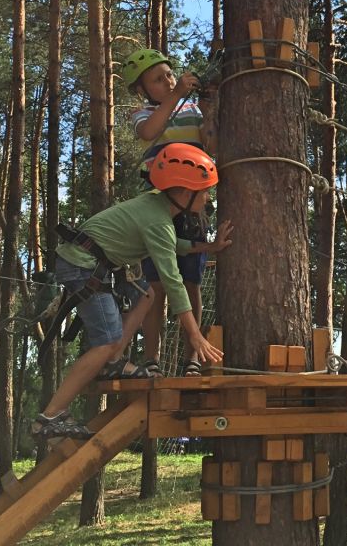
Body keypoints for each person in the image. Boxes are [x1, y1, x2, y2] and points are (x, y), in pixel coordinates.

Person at [32, 143, 230, 440]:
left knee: (146, 294)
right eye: (203, 191)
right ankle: (50, 416)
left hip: (86, 260)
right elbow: (173, 282)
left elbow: (170, 245)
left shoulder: (156, 205)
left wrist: (207, 247)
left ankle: (113, 361)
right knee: (105, 342)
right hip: (83, 267)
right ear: (184, 191)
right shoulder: (159, 221)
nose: (207, 198)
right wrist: (195, 334)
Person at [123, 48, 219, 377]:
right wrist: (175, 96)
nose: (167, 81)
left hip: (191, 205)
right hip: (156, 204)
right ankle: (152, 359)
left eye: (169, 74)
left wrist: (207, 110)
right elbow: (150, 132)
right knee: (156, 285)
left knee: (191, 282)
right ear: (142, 90)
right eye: (157, 79)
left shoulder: (192, 108)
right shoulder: (142, 112)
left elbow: (210, 145)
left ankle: (193, 359)